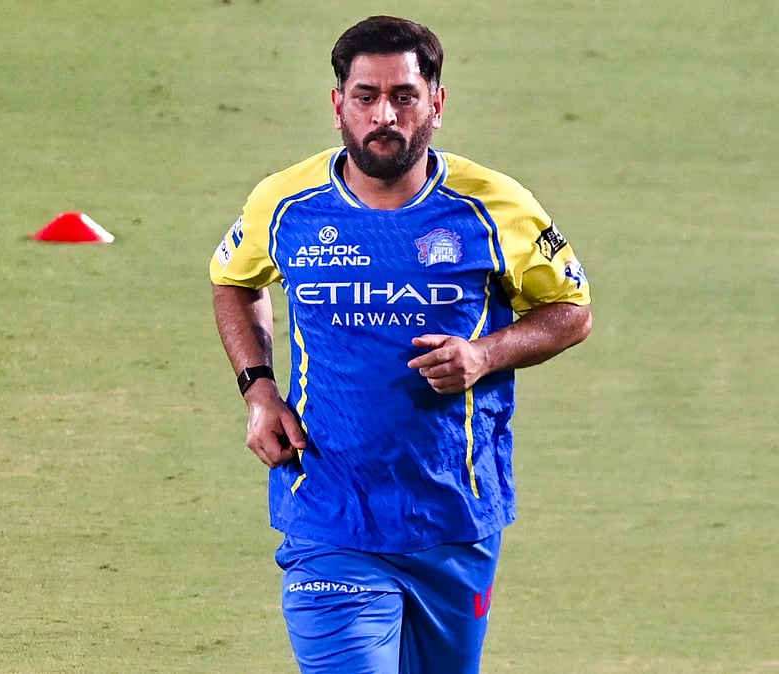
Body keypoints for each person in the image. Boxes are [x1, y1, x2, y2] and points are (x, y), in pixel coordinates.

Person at [209, 15, 592, 674]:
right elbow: (232, 281)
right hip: (330, 511)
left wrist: (486, 353)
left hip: (456, 514)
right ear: (338, 106)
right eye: (366, 97)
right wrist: (259, 389)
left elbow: (570, 311)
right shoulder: (284, 204)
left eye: (404, 96)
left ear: (436, 105)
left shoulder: (496, 207)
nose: (384, 114)